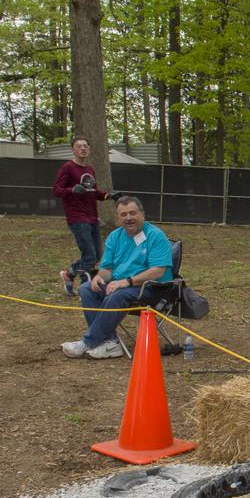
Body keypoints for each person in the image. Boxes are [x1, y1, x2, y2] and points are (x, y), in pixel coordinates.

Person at [62, 196, 173, 360]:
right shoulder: (115, 236)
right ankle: (110, 342)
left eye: (133, 213)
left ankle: (89, 341)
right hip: (121, 285)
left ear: (142, 214)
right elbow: (107, 269)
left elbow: (158, 271)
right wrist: (99, 277)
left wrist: (126, 282)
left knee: (118, 294)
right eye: (123, 214)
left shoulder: (156, 236)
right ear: (118, 218)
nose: (128, 218)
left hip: (152, 288)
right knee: (87, 288)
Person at [52, 135, 111, 296]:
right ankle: (86, 288)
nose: (83, 148)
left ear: (89, 149)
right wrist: (71, 190)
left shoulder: (90, 169)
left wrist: (109, 196)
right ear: (73, 149)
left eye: (85, 146)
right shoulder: (68, 168)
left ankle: (69, 275)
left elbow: (93, 191)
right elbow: (57, 190)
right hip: (77, 217)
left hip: (92, 217)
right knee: (90, 256)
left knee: (97, 255)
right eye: (79, 146)